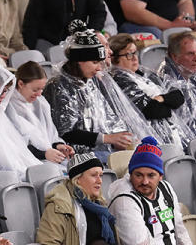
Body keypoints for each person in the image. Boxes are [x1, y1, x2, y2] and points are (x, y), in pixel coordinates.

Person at [109, 136, 196, 245]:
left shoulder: (166, 188)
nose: (144, 181)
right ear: (131, 174)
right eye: (138, 175)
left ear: (160, 176)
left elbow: (179, 227)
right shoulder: (124, 200)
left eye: (151, 175)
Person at [42, 28, 137, 157]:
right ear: (80, 61)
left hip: (100, 150)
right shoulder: (59, 86)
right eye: (94, 62)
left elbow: (108, 118)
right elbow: (66, 133)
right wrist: (106, 138)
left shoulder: (90, 81)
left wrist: (118, 139)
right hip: (75, 156)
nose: (99, 68)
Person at [107, 33, 189, 148]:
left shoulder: (144, 74)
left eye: (135, 52)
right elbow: (151, 110)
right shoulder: (120, 81)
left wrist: (160, 98)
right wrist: (168, 104)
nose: (135, 57)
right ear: (115, 59)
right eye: (128, 55)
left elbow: (179, 96)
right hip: (149, 140)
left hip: (170, 134)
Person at [7, 61, 76, 164]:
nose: (39, 94)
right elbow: (15, 144)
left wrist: (57, 146)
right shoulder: (7, 106)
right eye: (35, 89)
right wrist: (44, 154)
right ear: (21, 84)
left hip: (47, 159)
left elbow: (49, 135)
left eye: (42, 89)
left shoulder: (41, 103)